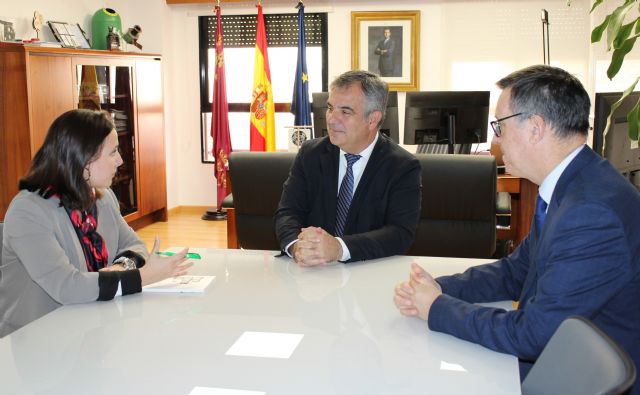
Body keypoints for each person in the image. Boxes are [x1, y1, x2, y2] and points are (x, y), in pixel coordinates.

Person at [394, 65, 640, 391]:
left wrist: (437, 308)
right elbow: (516, 271)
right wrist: (440, 288)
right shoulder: (572, 183)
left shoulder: (591, 214)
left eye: (500, 126)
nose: (495, 140)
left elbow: (533, 335)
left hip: (575, 377)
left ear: (536, 128)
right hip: (561, 357)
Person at [0, 109, 192, 337]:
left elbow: (134, 245)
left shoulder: (101, 197)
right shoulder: (28, 211)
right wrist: (142, 277)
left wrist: (118, 269)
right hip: (38, 338)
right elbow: (67, 286)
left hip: (90, 325)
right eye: (112, 152)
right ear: (83, 158)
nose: (120, 160)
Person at [275, 70, 421, 266]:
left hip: (368, 274)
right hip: (314, 274)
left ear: (373, 119)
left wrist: (339, 248)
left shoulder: (402, 166)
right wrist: (296, 246)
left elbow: (400, 232)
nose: (331, 119)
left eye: (345, 111)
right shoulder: (310, 154)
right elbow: (288, 212)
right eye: (329, 108)